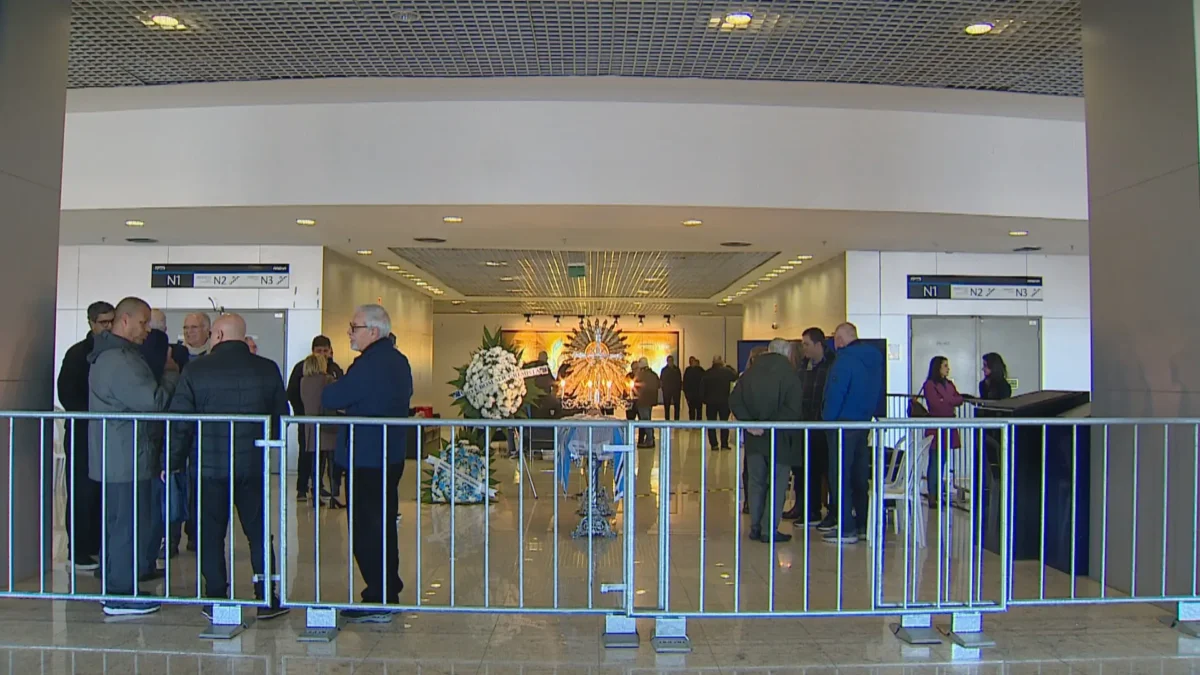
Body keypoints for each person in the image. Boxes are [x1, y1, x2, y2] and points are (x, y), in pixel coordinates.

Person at [168, 313, 289, 620]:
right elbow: (280, 414)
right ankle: (266, 596)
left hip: (208, 467)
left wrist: (172, 461)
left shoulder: (197, 370)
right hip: (252, 464)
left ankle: (217, 597)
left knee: (210, 533)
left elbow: (181, 421)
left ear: (218, 335)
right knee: (259, 531)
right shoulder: (266, 368)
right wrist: (269, 444)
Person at [87, 297, 178, 616]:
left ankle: (116, 586)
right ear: (124, 321)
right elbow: (154, 402)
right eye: (143, 323)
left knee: (118, 524)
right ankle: (121, 594)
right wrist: (170, 374)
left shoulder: (108, 355)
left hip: (116, 456)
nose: (147, 330)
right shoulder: (120, 360)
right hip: (127, 457)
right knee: (128, 525)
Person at [322, 304, 412, 623]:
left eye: (354, 326)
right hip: (388, 455)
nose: (349, 332)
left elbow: (333, 397)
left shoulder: (371, 364)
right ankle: (386, 590)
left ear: (373, 331)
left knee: (368, 529)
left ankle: (379, 596)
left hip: (368, 457)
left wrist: (344, 401)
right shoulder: (398, 361)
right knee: (382, 525)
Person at [56, 300, 114, 572]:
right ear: (91, 324)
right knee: (82, 490)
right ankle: (79, 550)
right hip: (83, 432)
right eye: (104, 323)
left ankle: (97, 546)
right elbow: (67, 393)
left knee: (104, 491)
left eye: (112, 322)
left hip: (106, 433)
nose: (108, 328)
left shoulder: (115, 352)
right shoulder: (78, 354)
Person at [730, 339, 803, 544]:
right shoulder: (789, 374)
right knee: (778, 483)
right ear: (787, 352)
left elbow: (734, 400)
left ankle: (755, 526)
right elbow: (793, 407)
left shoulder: (750, 373)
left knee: (756, 482)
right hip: (780, 437)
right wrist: (771, 423)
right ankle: (769, 528)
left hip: (754, 438)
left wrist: (750, 423)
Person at [821, 322, 883, 545]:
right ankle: (863, 524)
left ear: (839, 339)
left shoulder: (844, 359)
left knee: (839, 476)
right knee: (859, 475)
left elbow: (836, 393)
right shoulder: (875, 358)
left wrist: (827, 421)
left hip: (842, 424)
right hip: (864, 422)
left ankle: (846, 527)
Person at [140, 309, 190, 561]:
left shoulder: (174, 356)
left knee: (166, 491)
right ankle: (164, 542)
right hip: (162, 437)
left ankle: (166, 541)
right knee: (166, 491)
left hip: (158, 438)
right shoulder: (166, 362)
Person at [287, 336, 344, 502]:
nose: (323, 354)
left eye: (325, 350)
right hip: (307, 419)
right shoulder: (302, 369)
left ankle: (319, 486)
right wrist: (302, 412)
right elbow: (292, 393)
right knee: (306, 453)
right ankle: (302, 487)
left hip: (328, 421)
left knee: (326, 455)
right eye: (319, 351)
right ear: (313, 351)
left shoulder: (334, 369)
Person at [788, 327, 834, 526]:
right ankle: (810, 510)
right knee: (806, 470)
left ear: (818, 344)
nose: (803, 348)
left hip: (824, 427)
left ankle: (831, 511)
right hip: (805, 426)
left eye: (806, 344)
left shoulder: (832, 365)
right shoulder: (803, 366)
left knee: (827, 470)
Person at [922, 356, 964, 508]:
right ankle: (933, 494)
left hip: (948, 426)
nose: (948, 368)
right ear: (938, 367)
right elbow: (936, 404)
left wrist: (946, 399)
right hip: (936, 426)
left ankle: (939, 492)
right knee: (935, 461)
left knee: (943, 460)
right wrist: (949, 399)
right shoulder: (929, 385)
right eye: (945, 365)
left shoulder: (949, 384)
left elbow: (959, 399)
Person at [300, 354, 341, 507]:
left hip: (310, 427)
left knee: (316, 463)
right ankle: (333, 495)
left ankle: (315, 493)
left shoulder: (303, 382)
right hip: (328, 427)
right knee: (331, 463)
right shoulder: (327, 380)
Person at [700, 356, 739, 450]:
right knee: (724, 423)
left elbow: (702, 387)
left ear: (712, 362)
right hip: (724, 401)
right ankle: (724, 444)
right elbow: (736, 376)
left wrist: (704, 399)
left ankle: (714, 444)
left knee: (711, 423)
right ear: (722, 362)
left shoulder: (707, 372)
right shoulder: (726, 372)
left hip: (710, 402)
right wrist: (729, 367)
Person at [633, 358, 660, 447]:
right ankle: (650, 438)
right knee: (647, 419)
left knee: (645, 420)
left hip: (643, 401)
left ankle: (650, 440)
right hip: (650, 401)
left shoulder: (642, 375)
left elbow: (637, 386)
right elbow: (659, 384)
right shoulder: (653, 375)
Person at [659, 356, 682, 421]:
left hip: (676, 391)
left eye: (671, 360)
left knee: (677, 406)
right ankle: (667, 420)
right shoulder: (664, 370)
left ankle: (677, 420)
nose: (670, 362)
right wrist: (663, 388)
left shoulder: (677, 369)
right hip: (667, 391)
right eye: (669, 360)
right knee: (667, 406)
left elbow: (679, 380)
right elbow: (661, 380)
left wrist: (679, 388)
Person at [682, 357, 705, 421]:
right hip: (697, 395)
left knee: (692, 412)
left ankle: (692, 425)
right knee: (698, 411)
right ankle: (697, 426)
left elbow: (685, 384)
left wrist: (686, 395)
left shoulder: (688, 371)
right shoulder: (701, 371)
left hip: (692, 395)